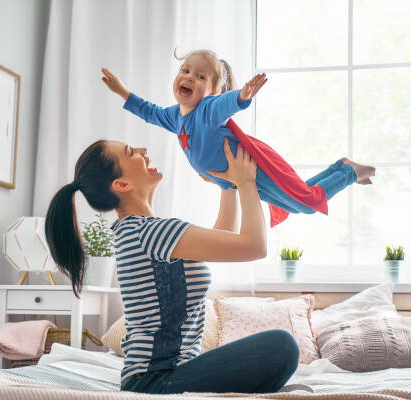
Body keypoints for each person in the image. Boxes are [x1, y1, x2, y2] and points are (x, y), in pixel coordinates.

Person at [44, 138, 299, 394]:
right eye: (131, 152)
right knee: (282, 346)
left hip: (159, 376)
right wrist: (246, 182)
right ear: (122, 184)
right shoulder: (149, 232)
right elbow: (255, 246)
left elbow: (223, 236)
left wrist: (228, 186)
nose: (143, 151)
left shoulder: (138, 231)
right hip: (156, 380)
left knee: (275, 352)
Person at [101, 49, 375, 226]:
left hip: (253, 173)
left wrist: (242, 96)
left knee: (305, 204)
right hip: (240, 181)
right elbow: (149, 112)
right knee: (299, 201)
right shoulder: (175, 117)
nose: (188, 78)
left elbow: (225, 105)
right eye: (185, 71)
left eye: (200, 76)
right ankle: (341, 168)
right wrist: (123, 92)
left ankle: (348, 171)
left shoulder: (207, 110)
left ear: (212, 90)